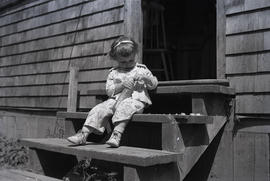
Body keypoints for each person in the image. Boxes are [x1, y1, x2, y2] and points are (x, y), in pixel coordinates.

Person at [67, 36, 158, 147]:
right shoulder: (114, 73)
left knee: (126, 106)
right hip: (115, 100)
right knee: (99, 108)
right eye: (123, 62)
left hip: (135, 101)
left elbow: (153, 85)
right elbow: (109, 91)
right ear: (116, 59)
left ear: (135, 55)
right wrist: (121, 85)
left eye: (131, 60)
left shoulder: (141, 69)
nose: (127, 64)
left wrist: (146, 78)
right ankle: (83, 134)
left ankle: (116, 134)